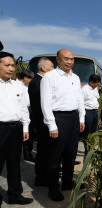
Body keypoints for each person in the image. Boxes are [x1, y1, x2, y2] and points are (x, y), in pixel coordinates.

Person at [40, 49, 85, 201]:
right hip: (59, 118)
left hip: (74, 118)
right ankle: (53, 188)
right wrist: (51, 124)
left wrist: (81, 118)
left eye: (72, 59)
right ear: (58, 60)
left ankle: (67, 182)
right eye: (66, 59)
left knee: (70, 154)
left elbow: (79, 99)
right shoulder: (50, 77)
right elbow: (45, 103)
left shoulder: (76, 77)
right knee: (55, 155)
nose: (69, 62)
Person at [0, 51, 33, 208]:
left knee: (14, 164)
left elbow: (22, 109)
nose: (11, 68)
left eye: (13, 65)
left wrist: (25, 127)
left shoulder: (17, 86)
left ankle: (15, 195)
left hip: (16, 129)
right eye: (7, 65)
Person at [28, 57, 54, 186]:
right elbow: (41, 104)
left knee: (47, 150)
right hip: (42, 122)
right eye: (51, 66)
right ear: (43, 67)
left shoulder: (42, 81)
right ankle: (41, 178)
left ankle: (45, 175)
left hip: (44, 121)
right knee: (43, 151)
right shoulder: (37, 82)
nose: (53, 69)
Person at [16, 68, 35, 162]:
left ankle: (27, 154)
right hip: (20, 113)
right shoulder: (16, 86)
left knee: (28, 133)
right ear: (25, 78)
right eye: (30, 79)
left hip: (28, 110)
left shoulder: (25, 86)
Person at [81, 74, 101, 155]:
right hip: (87, 112)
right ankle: (87, 150)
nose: (98, 85)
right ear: (91, 82)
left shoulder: (95, 89)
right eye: (97, 83)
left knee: (94, 131)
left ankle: (92, 148)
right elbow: (81, 102)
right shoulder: (84, 89)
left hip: (94, 112)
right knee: (87, 132)